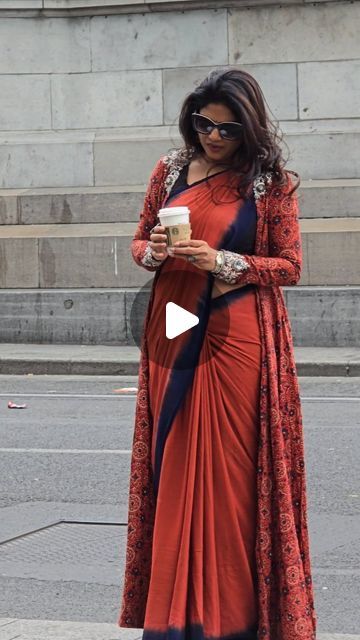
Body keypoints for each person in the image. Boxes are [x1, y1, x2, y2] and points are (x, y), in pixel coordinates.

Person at [118, 68, 317, 640]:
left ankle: (231, 620)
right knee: (175, 463)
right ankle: (177, 620)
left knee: (231, 478)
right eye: (204, 124)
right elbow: (138, 242)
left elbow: (290, 266)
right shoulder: (170, 171)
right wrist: (153, 250)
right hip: (173, 328)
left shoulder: (270, 182)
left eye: (227, 129)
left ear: (248, 128)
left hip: (236, 336)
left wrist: (222, 262)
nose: (213, 137)